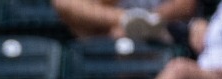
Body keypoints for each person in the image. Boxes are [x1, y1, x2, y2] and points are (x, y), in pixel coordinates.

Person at [52, 0, 196, 40]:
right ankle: (128, 19)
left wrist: (153, 18)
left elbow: (186, 5)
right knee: (63, 2)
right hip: (113, 25)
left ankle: (136, 22)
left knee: (120, 34)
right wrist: (125, 20)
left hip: (164, 27)